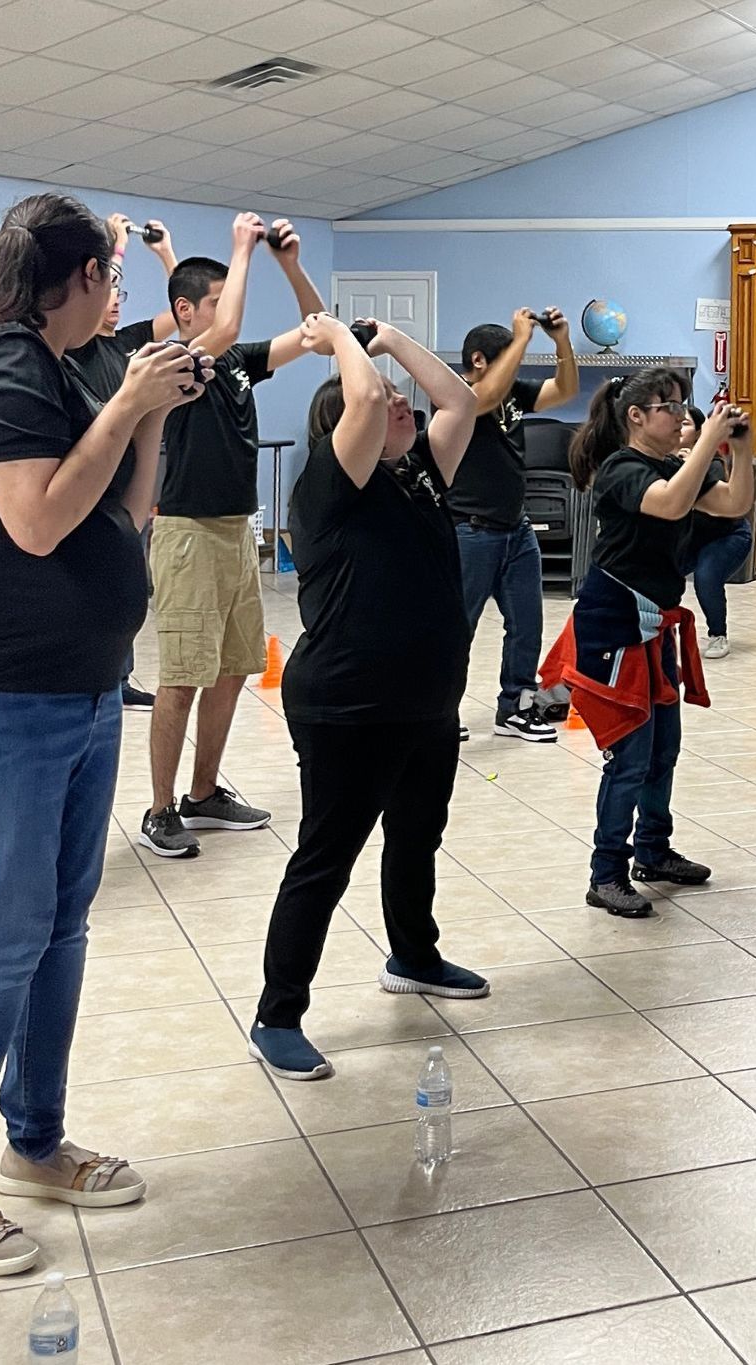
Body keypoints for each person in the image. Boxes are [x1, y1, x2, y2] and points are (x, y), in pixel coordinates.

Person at [0, 192, 211, 1274]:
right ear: (73, 283)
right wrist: (125, 404)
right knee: (2, 936)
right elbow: (33, 525)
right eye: (107, 282)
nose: (114, 301)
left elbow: (118, 520)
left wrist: (151, 413)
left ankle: (34, 1140)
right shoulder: (0, 372)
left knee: (59, 927)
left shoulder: (60, 369)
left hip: (78, 686)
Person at [249, 314, 486, 1080]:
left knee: (417, 835)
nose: (398, 406)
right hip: (346, 705)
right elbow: (356, 404)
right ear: (343, 430)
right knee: (325, 858)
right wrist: (343, 346)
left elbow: (461, 404)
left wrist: (388, 342)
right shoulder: (326, 489)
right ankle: (276, 1014)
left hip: (424, 700)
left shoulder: (416, 477)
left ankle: (413, 956)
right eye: (386, 400)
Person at [138, 214, 325, 859]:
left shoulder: (238, 363)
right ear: (186, 312)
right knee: (183, 675)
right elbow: (226, 330)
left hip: (235, 529)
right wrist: (241, 248)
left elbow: (316, 335)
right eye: (214, 301)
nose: (229, 312)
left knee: (229, 671)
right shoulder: (169, 361)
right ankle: (160, 809)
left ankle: (204, 793)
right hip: (186, 533)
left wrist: (291, 265)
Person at [545, 371, 753, 917]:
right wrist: (706, 440)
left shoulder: (670, 467)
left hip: (655, 623)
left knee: (664, 751)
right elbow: (668, 505)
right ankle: (606, 873)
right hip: (614, 626)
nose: (681, 415)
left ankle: (653, 852)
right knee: (630, 759)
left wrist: (742, 446)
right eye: (670, 406)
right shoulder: (622, 469)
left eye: (684, 405)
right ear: (635, 416)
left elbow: (733, 503)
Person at [66, 212, 180, 712]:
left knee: (128, 582)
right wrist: (116, 245)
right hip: (91, 487)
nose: (113, 303)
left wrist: (166, 254)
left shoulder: (132, 344)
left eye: (120, 295)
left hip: (131, 488)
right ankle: (101, 672)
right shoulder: (76, 350)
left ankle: (121, 674)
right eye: (107, 291)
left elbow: (190, 313)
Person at [453, 308, 579, 742]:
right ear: (478, 361)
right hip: (470, 532)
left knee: (527, 622)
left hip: (516, 530)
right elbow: (481, 399)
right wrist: (522, 339)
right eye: (505, 358)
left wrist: (560, 341)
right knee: (457, 627)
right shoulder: (454, 393)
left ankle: (517, 707)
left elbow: (565, 389)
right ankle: (438, 712)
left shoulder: (511, 394)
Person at [679, 405, 755, 659]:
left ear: (701, 431)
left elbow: (722, 505)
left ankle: (717, 635)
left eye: (686, 424)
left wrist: (689, 465)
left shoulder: (711, 463)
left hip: (727, 535)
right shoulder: (661, 458)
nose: (679, 428)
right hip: (692, 536)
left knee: (706, 575)